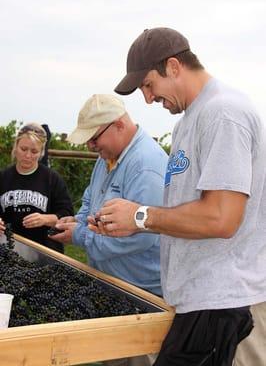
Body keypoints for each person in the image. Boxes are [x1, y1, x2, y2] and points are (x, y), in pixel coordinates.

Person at [90, 28, 266, 366]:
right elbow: (189, 210)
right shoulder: (189, 121)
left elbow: (221, 217)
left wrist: (140, 216)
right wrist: (134, 224)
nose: (147, 99)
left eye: (148, 85)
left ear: (173, 66)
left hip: (231, 308)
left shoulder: (224, 113)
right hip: (199, 303)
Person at [50, 94, 168, 366]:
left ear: (118, 125)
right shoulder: (107, 158)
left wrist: (79, 235)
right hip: (114, 285)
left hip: (141, 294)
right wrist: (77, 221)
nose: (91, 146)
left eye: (94, 138)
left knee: (135, 360)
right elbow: (91, 199)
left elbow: (137, 239)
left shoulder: (146, 166)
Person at [0, 122, 74, 253]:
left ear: (41, 153)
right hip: (9, 251)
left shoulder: (52, 179)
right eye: (23, 149)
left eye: (34, 151)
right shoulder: (3, 177)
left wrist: (46, 219)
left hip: (45, 252)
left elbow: (67, 214)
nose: (28, 156)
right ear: (15, 147)